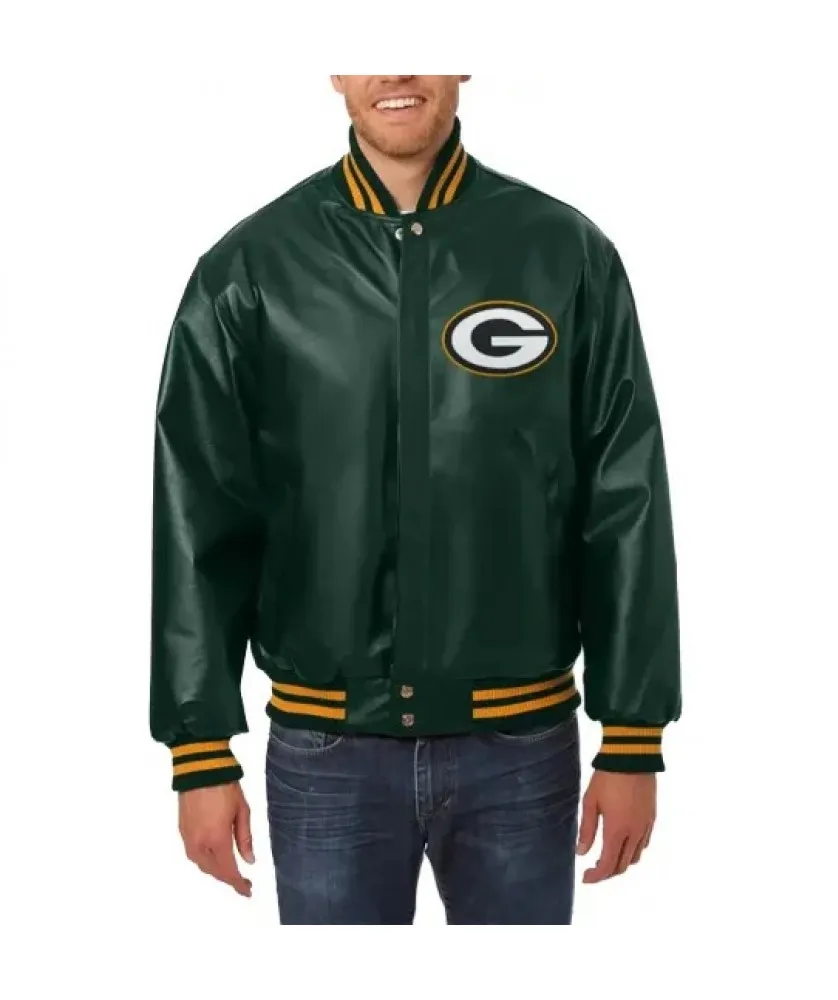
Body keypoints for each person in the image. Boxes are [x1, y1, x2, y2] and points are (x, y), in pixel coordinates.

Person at [149, 74, 682, 925]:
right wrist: (199, 750)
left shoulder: (563, 253)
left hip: (521, 748)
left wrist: (633, 737)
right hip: (327, 753)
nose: (396, 71)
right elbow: (199, 513)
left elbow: (624, 497)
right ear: (334, 69)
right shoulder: (250, 270)